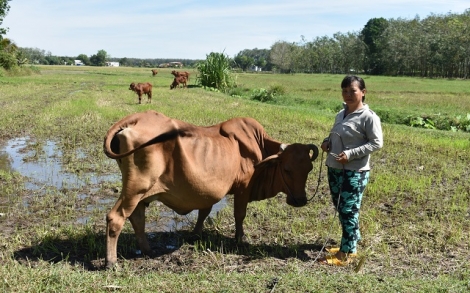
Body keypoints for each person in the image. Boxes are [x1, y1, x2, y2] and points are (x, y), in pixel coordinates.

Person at [319, 75, 383, 266]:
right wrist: (327, 143)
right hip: (336, 168)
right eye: (344, 91)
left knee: (348, 210)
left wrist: (351, 153)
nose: (348, 94)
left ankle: (346, 253)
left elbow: (376, 143)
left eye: (352, 91)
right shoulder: (341, 113)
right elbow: (336, 135)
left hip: (355, 172)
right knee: (341, 207)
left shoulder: (368, 117)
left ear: (363, 92)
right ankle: (351, 243)